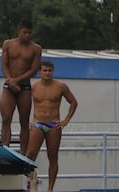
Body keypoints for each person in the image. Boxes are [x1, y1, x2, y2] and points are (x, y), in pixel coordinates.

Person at [25, 61, 78, 192]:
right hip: (37, 123)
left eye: (50, 70)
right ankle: (30, 184)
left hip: (53, 124)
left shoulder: (60, 86)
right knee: (30, 154)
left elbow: (73, 102)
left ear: (53, 71)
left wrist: (65, 120)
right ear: (39, 72)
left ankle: (50, 188)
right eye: (45, 70)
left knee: (53, 156)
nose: (47, 73)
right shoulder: (33, 86)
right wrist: (26, 121)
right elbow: (24, 104)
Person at [0, 19, 42, 154]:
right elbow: (4, 64)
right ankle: (5, 150)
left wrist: (16, 81)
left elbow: (33, 70)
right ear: (19, 31)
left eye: (29, 33)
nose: (27, 35)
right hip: (9, 87)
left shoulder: (36, 49)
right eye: (24, 32)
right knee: (6, 118)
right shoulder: (8, 44)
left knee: (24, 121)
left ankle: (23, 153)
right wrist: (10, 80)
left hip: (24, 88)